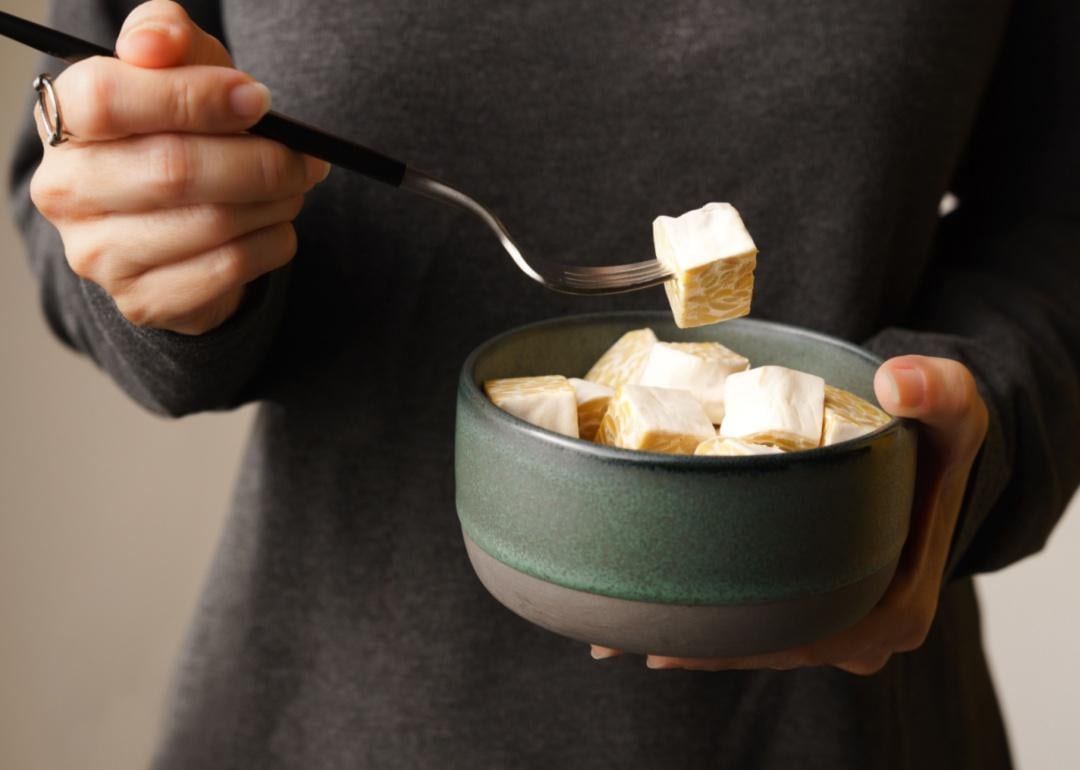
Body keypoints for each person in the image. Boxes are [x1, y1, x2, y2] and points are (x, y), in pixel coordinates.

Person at [9, 0, 1078, 767]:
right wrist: (152, 248)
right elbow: (62, 180)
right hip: (335, 708)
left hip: (845, 721)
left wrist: (986, 419)